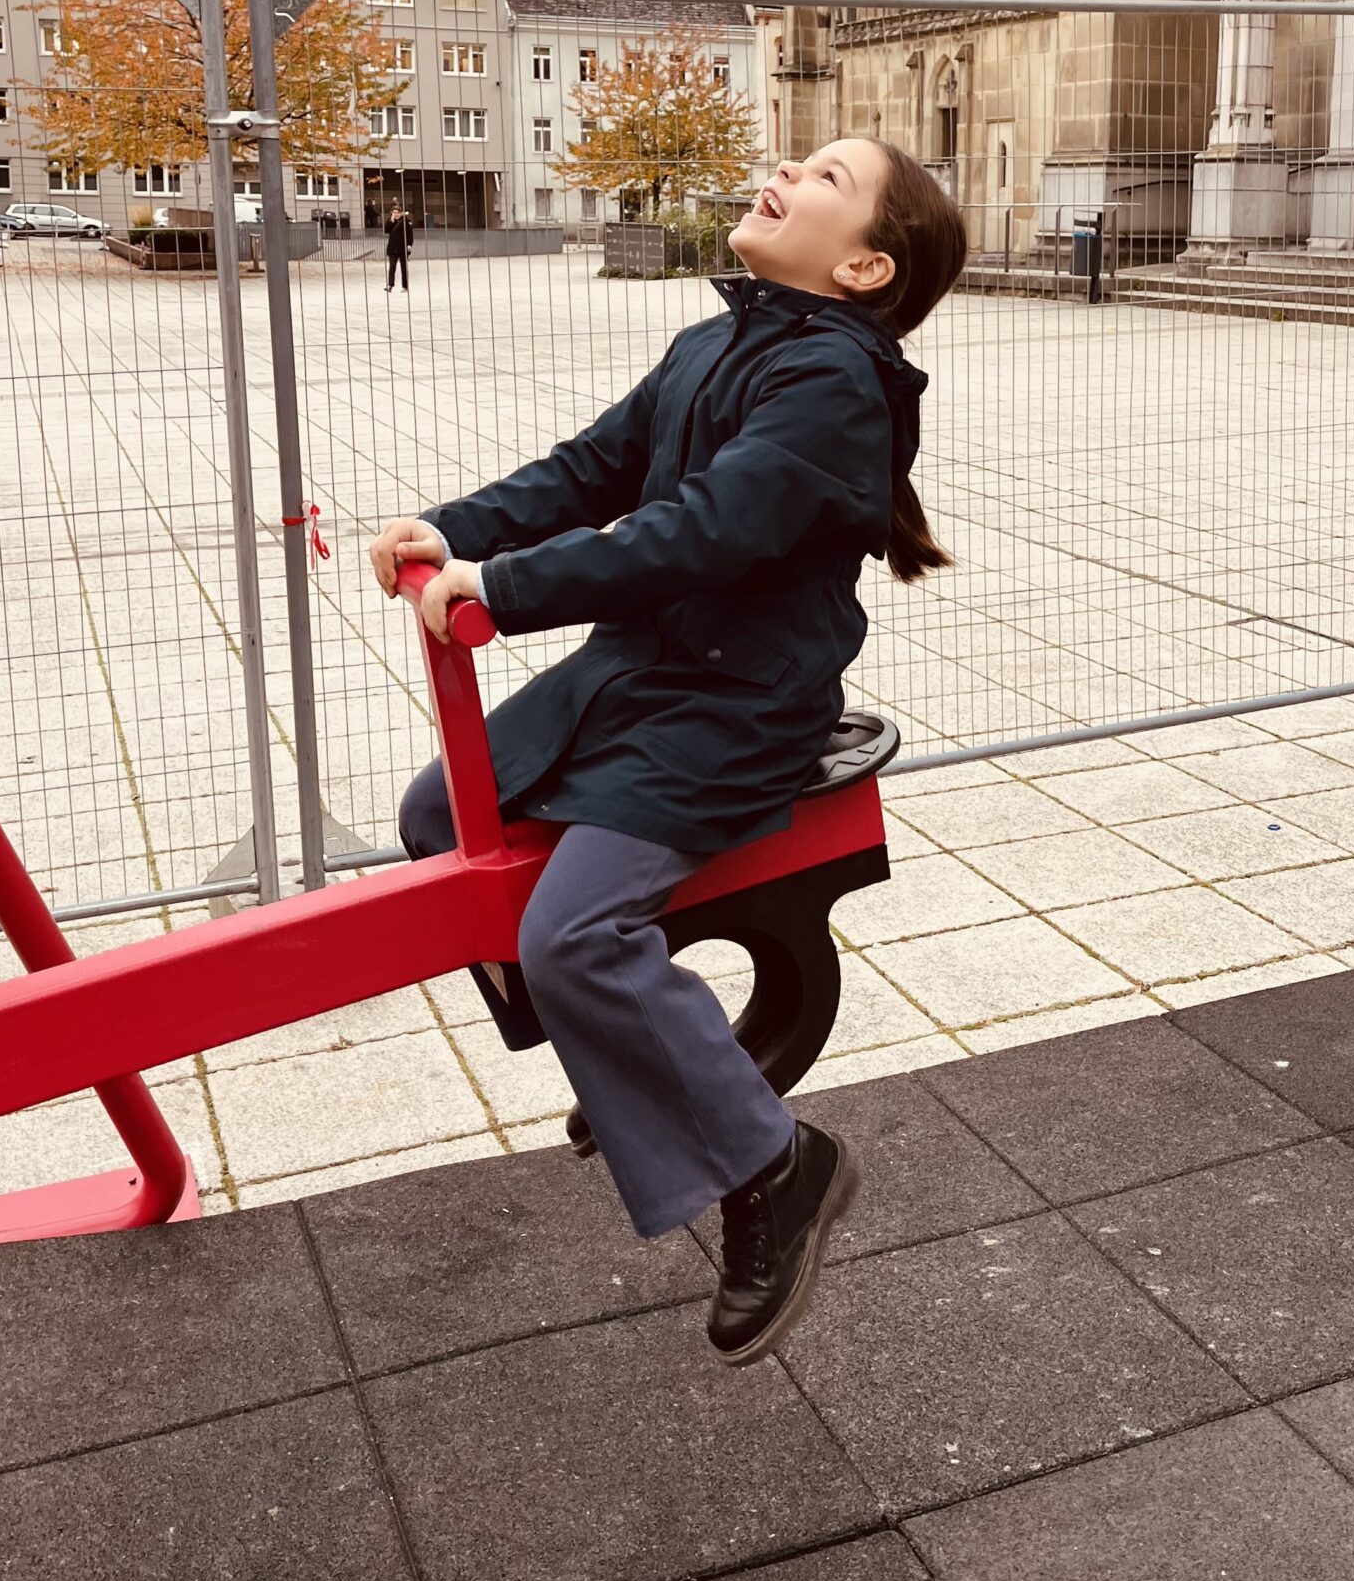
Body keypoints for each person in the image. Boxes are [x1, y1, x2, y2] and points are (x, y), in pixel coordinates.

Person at [370, 139, 967, 1363]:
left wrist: (506, 585)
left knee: (572, 935)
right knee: (438, 818)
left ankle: (776, 1169)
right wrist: (452, 528)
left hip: (736, 702)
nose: (787, 167)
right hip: (641, 673)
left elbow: (705, 532)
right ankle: (635, 1059)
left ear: (864, 266)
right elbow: (597, 466)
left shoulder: (836, 382)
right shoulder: (712, 342)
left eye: (828, 177)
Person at [384, 203, 413, 292]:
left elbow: (410, 234)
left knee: (404, 268)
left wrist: (409, 244)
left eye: (397, 212)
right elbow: (386, 230)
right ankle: (390, 285)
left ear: (401, 213)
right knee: (392, 267)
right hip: (392, 248)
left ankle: (405, 286)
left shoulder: (405, 221)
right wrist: (391, 220)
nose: (396, 214)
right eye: (394, 212)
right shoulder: (391, 221)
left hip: (403, 248)